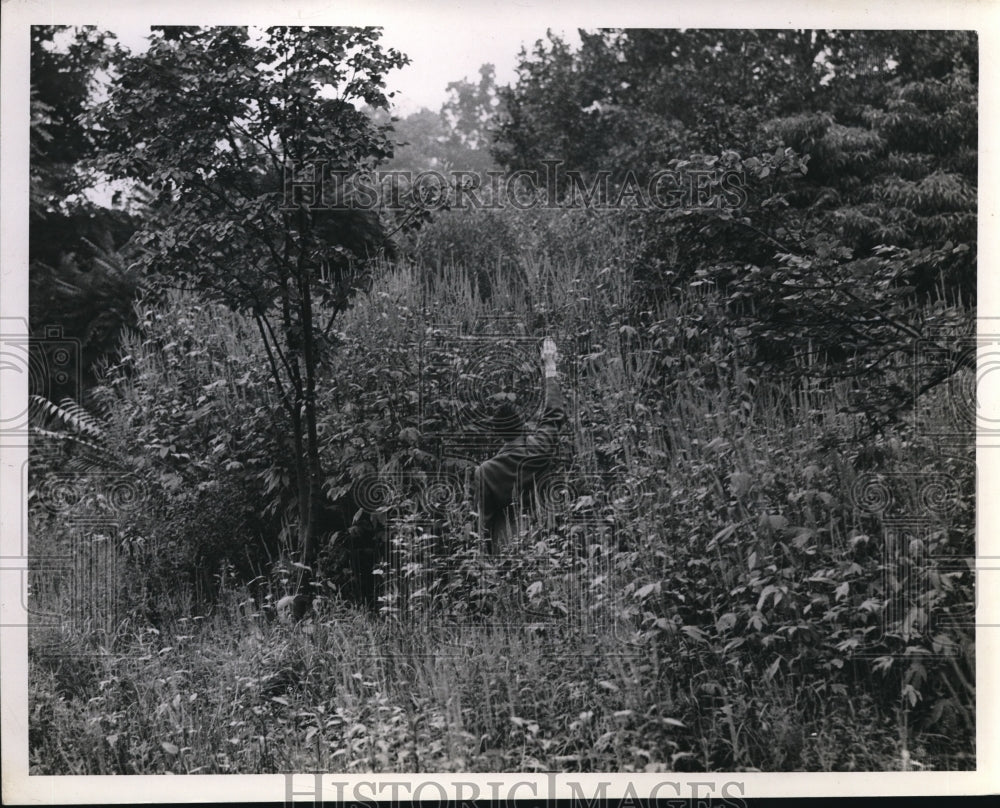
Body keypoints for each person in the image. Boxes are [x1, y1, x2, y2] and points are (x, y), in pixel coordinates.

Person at [474, 336, 566, 553]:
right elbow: (554, 414)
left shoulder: (485, 471)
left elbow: (484, 522)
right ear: (523, 425)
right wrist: (550, 367)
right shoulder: (539, 447)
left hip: (504, 545)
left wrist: (484, 561)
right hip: (542, 537)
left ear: (499, 435)